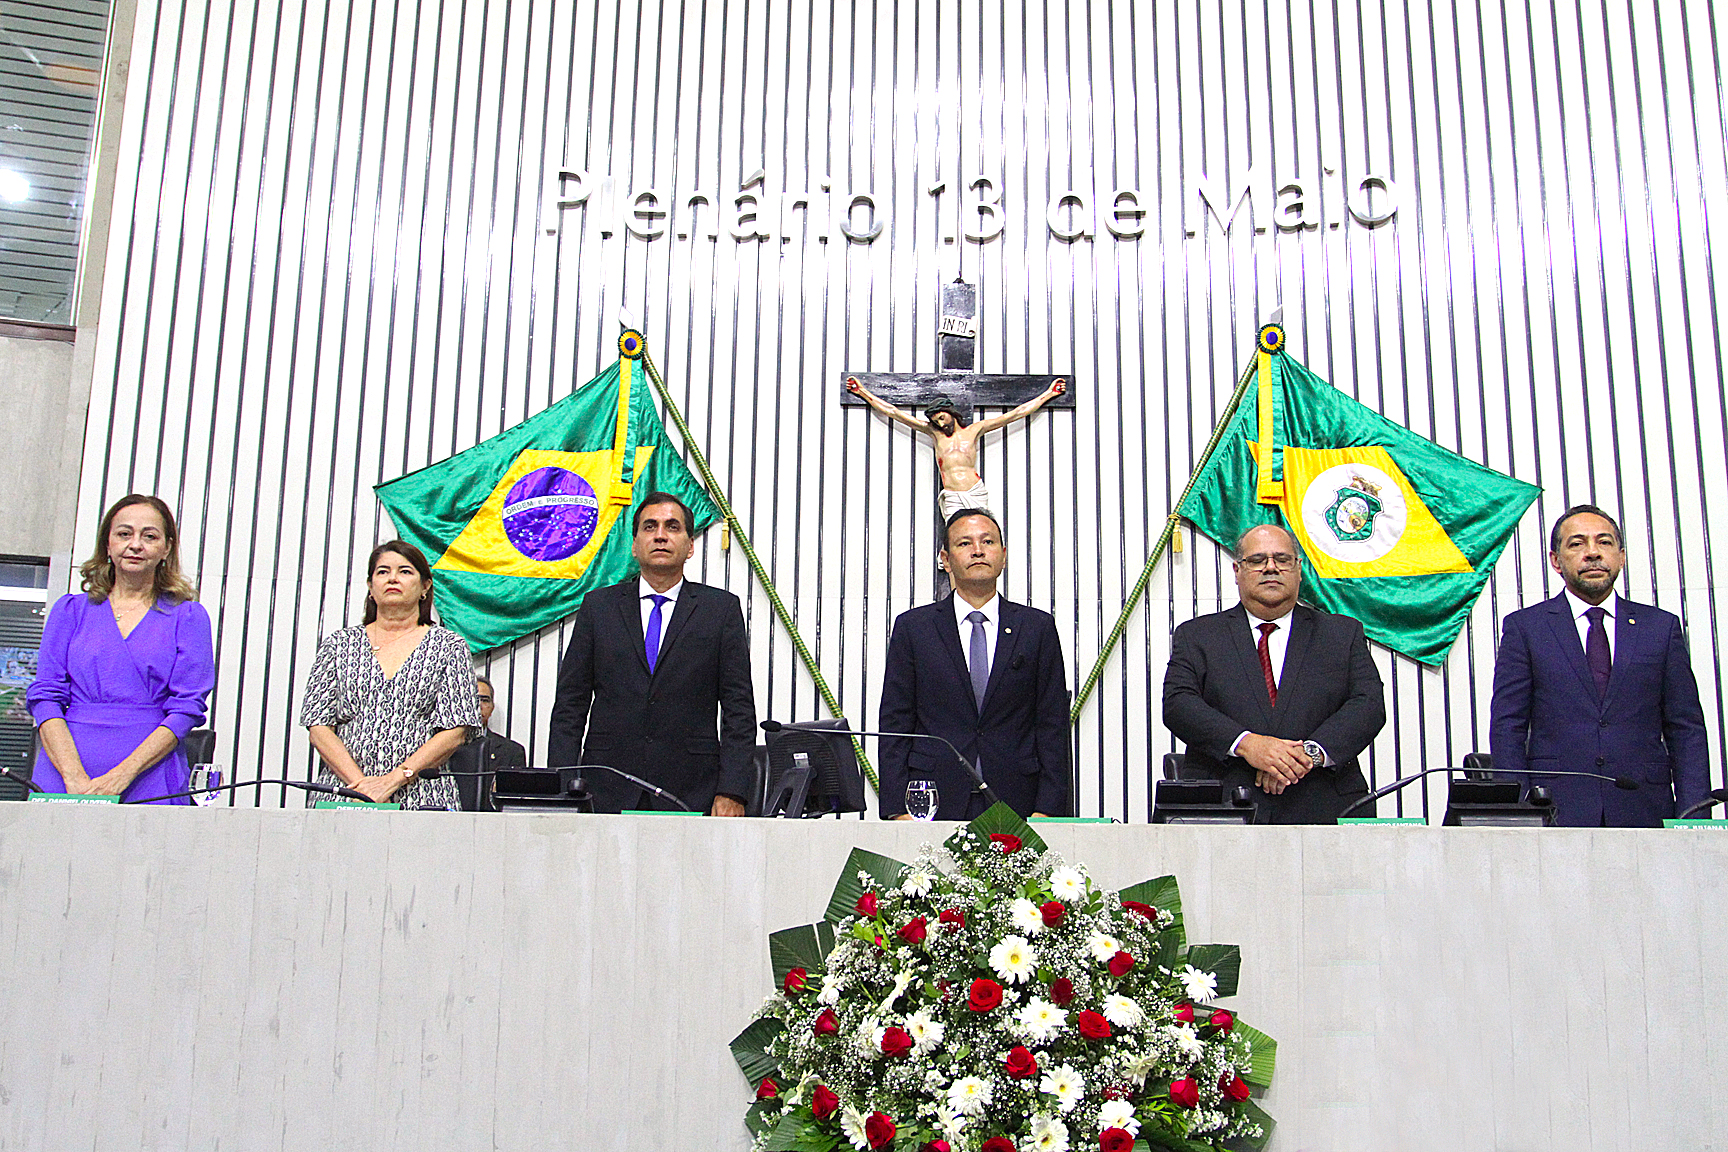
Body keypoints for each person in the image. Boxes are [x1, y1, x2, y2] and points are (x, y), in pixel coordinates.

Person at [1488, 504, 1708, 826]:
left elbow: (1685, 728)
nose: (1592, 553)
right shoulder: (1526, 628)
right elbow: (1508, 726)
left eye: (1604, 542)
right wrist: (1515, 815)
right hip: (1554, 811)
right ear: (1556, 561)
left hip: (1645, 807)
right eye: (1577, 544)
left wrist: (1695, 817)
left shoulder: (1660, 627)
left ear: (1621, 557)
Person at [1162, 523, 1386, 824]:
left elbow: (1369, 705)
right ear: (1237, 570)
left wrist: (1307, 755)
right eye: (1257, 561)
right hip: (1224, 805)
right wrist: (1249, 745)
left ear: (1298, 568)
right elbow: (1179, 704)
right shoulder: (1198, 635)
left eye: (1282, 559)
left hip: (1325, 804)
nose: (1271, 568)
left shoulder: (1341, 634)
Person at [548, 492, 756, 815]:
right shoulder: (597, 608)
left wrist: (733, 791)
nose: (660, 535)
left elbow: (739, 712)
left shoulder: (721, 611)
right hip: (605, 790)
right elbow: (569, 706)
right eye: (650, 527)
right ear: (634, 544)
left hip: (692, 791)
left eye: (672, 527)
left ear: (689, 546)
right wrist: (560, 787)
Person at [878, 508, 1071, 820]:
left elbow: (1053, 725)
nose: (978, 550)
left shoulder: (1036, 628)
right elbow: (895, 724)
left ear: (1003, 556)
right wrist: (898, 810)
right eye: (964, 543)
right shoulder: (915, 628)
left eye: (988, 542)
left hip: (1018, 800)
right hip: (931, 800)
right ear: (945, 558)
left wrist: (1048, 809)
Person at [26, 494, 215, 803]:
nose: (136, 544)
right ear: (108, 545)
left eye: (149, 536)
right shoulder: (69, 611)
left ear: (166, 548)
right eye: (124, 533)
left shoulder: (188, 617)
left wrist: (121, 776)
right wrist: (73, 777)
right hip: (64, 772)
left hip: (149, 774)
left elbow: (186, 708)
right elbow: (45, 696)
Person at [299, 540, 482, 809]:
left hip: (421, 793)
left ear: (425, 587)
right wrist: (362, 787)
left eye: (405, 571)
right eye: (383, 572)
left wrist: (395, 779)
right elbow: (318, 726)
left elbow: (456, 730)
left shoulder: (448, 646)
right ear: (371, 587)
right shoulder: (339, 644)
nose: (393, 578)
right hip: (344, 791)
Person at [845, 376, 1065, 518]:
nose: (940, 424)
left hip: (974, 491)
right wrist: (862, 392)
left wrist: (1049, 394)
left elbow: (1015, 413)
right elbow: (894, 412)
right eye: (936, 421)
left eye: (942, 418)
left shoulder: (975, 430)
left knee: (980, 532)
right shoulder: (933, 433)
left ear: (951, 413)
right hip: (951, 495)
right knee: (955, 538)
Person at [445, 676, 528, 811]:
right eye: (473, 698)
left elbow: (514, 804)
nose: (478, 705)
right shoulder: (440, 747)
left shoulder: (511, 751)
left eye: (484, 700)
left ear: (492, 708)